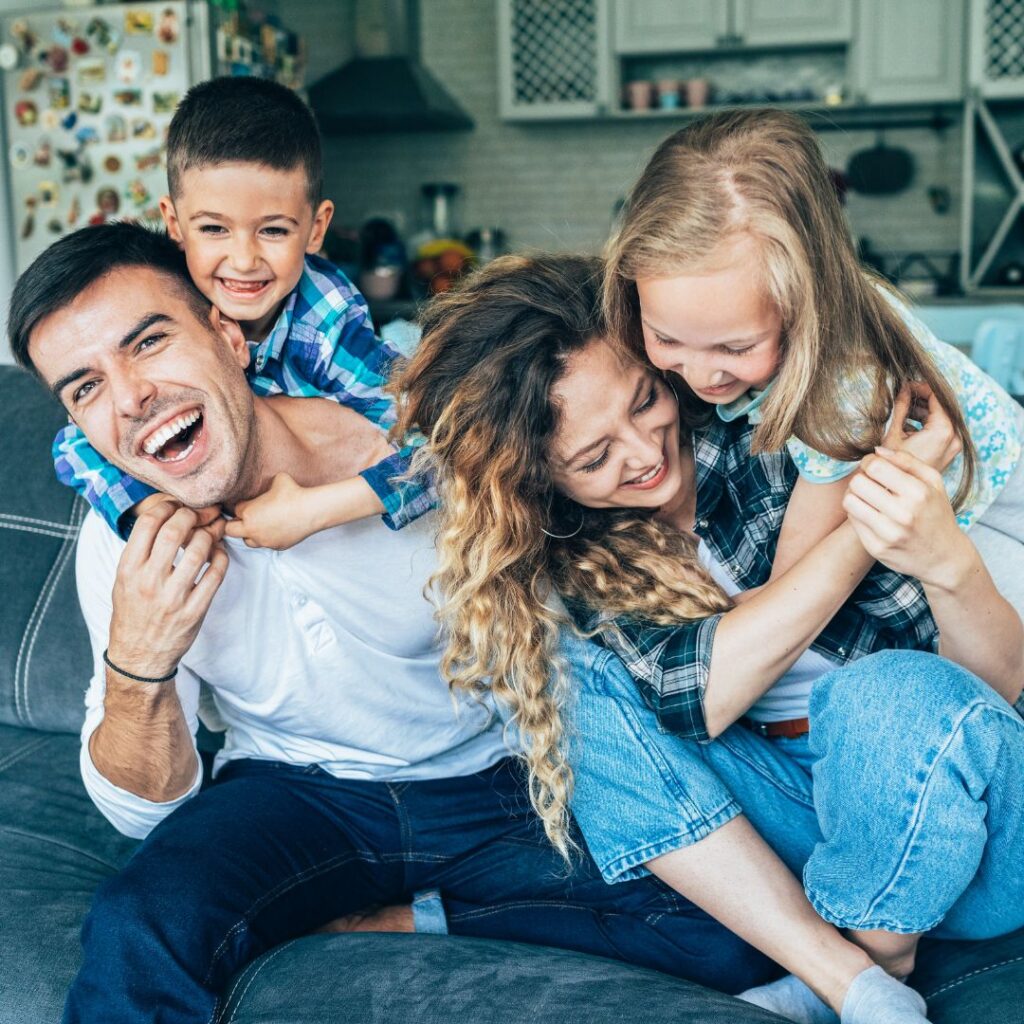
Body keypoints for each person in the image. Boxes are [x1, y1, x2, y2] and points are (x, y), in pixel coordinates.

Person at [8, 225, 772, 1024]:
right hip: (296, 792)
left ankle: (416, 916)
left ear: (229, 335)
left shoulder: (407, 448)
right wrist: (141, 661)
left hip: (499, 779)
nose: (130, 397)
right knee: (139, 925)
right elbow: (144, 813)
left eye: (149, 342)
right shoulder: (125, 536)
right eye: (85, 388)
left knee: (731, 929)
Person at [390, 253, 1024, 1024]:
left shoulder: (780, 429)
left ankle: (872, 953)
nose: (644, 451)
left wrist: (865, 493)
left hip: (961, 815)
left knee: (882, 695)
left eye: (645, 399)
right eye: (593, 458)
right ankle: (846, 980)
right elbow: (705, 698)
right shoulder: (584, 558)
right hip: (804, 823)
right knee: (562, 680)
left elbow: (983, 692)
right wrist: (866, 523)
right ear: (540, 484)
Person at [603, 108, 1024, 616]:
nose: (700, 376)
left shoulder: (843, 388)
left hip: (999, 503)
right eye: (666, 338)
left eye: (736, 350)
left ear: (806, 304)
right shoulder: (789, 311)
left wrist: (682, 616)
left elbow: (792, 589)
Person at [52, 76, 432, 543]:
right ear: (174, 224)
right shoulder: (161, 300)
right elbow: (73, 446)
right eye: (214, 229)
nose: (244, 260)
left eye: (273, 231)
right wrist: (152, 505)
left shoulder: (325, 319)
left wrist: (311, 511)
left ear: (316, 229)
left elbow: (438, 456)